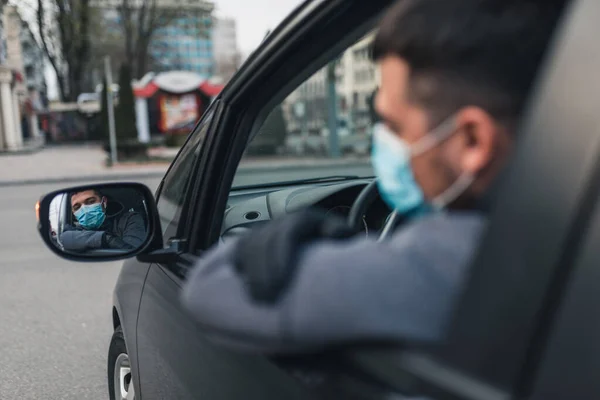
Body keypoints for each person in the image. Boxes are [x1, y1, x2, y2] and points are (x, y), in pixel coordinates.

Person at [180, 0, 569, 353]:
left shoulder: (446, 263)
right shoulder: (566, 236)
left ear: (472, 141)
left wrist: (302, 239)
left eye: (395, 126)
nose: (383, 143)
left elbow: (210, 288)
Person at [60, 189, 146, 251]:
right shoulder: (74, 231)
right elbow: (65, 238)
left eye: (90, 202)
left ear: (104, 202)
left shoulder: (128, 219)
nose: (84, 210)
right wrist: (105, 239)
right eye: (77, 207)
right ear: (73, 213)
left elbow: (133, 252)